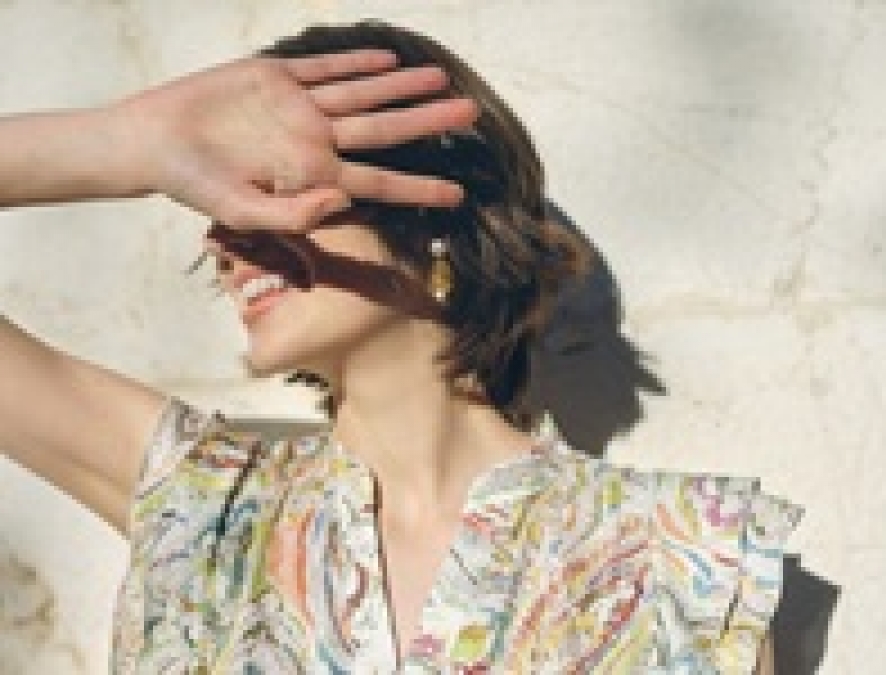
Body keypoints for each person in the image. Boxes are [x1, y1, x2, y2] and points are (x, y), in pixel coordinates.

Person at [0, 19, 802, 674]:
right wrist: (130, 142)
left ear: (427, 212)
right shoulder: (207, 507)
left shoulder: (679, 563)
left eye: (269, 184)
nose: (226, 235)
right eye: (219, 197)